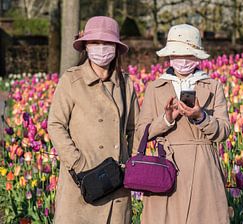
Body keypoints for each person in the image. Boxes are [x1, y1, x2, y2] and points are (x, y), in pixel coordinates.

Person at [135, 24, 230, 224]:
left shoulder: (213, 86)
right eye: (177, 54)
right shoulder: (155, 87)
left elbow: (224, 131)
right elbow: (141, 133)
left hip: (204, 167)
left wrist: (200, 116)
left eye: (189, 54)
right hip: (166, 167)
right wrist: (167, 119)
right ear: (169, 56)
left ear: (197, 56)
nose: (183, 60)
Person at [48, 16, 139, 224]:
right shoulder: (72, 80)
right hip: (84, 180)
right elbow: (55, 124)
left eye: (107, 43)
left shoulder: (125, 84)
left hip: (116, 183)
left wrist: (131, 163)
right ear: (86, 46)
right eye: (95, 43)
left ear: (116, 47)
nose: (101, 48)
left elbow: (135, 128)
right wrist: (78, 162)